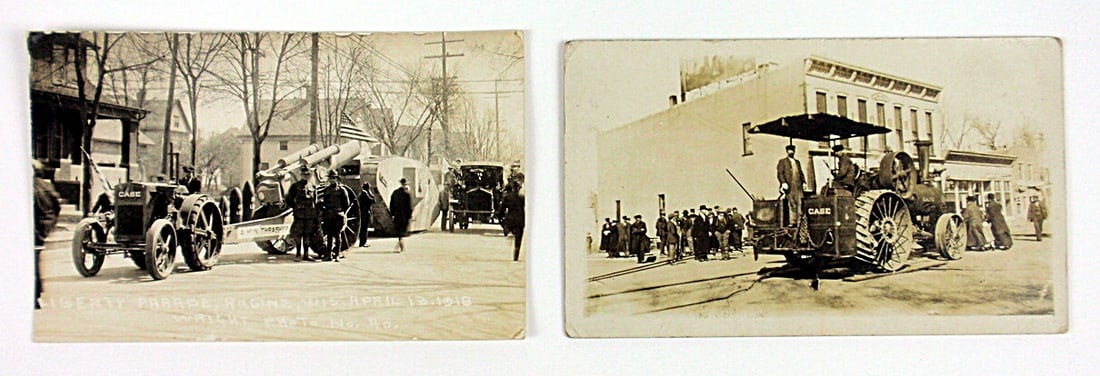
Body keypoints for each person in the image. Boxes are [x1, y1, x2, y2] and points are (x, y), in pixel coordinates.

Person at [33, 160, 60, 309]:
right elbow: (56, 207)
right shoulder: (46, 186)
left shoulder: (26, 186)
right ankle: (36, 295)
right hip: (40, 231)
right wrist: (49, 226)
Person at [286, 166, 321, 262]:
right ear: (301, 175)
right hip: (299, 215)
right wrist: (296, 207)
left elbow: (315, 200)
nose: (306, 176)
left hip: (310, 215)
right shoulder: (295, 186)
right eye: (304, 174)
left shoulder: (313, 187)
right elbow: (289, 199)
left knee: (307, 235)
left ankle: (306, 255)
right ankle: (298, 254)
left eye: (308, 175)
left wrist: (316, 213)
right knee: (298, 235)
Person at [319, 170, 350, 261]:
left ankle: (337, 254)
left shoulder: (342, 190)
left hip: (337, 215)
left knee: (337, 235)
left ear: (337, 179)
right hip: (329, 215)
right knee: (329, 236)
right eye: (330, 178)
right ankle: (329, 255)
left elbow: (346, 203)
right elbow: (325, 202)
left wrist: (340, 212)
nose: (332, 180)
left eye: (333, 178)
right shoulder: (326, 190)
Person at [777, 144, 806, 226]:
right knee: (792, 204)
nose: (791, 152)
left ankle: (799, 222)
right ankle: (792, 222)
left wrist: (804, 182)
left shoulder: (797, 162)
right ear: (787, 151)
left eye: (793, 151)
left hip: (798, 186)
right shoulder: (783, 162)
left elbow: (801, 173)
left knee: (800, 203)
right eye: (790, 150)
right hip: (790, 186)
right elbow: (780, 173)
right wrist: (783, 183)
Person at [501, 175, 525, 262]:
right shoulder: (522, 198)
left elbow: (501, 210)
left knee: (512, 231)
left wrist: (501, 220)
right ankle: (516, 255)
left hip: (510, 220)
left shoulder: (507, 197)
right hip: (520, 220)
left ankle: (509, 231)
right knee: (518, 240)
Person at [389, 178, 413, 253]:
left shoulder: (395, 193)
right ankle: (401, 246)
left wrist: (392, 214)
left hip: (397, 215)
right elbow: (409, 207)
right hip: (404, 216)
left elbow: (391, 205)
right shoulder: (407, 194)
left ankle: (400, 245)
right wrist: (409, 216)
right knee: (402, 232)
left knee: (399, 231)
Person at [358, 183, 377, 247]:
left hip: (362, 213)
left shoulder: (361, 193)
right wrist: (370, 193)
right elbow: (373, 200)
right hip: (365, 213)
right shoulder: (365, 194)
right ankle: (363, 242)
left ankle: (362, 242)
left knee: (363, 228)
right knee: (364, 229)